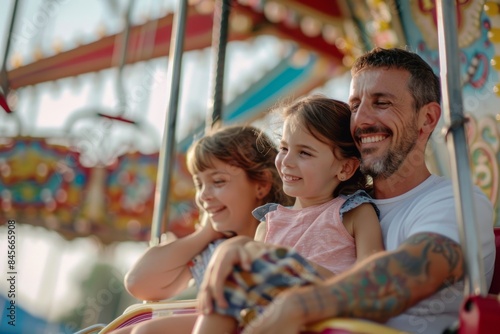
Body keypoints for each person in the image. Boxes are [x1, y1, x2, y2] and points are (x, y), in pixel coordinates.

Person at [195, 47, 496, 334]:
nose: (362, 120)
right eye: (355, 105)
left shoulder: (452, 201)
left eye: (381, 103)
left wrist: (299, 305)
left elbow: (411, 271)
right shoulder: (332, 204)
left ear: (427, 118)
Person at [192, 95, 385, 334]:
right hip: (271, 321)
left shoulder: (354, 213)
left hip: (326, 315)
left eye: (304, 153)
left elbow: (371, 282)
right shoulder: (269, 223)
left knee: (245, 261)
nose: (286, 161)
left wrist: (279, 260)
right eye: (284, 148)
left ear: (345, 168)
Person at [116, 125, 292, 334]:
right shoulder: (211, 249)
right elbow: (139, 282)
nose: (203, 195)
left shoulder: (281, 235)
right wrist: (205, 233)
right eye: (199, 184)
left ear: (261, 184)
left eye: (218, 181)